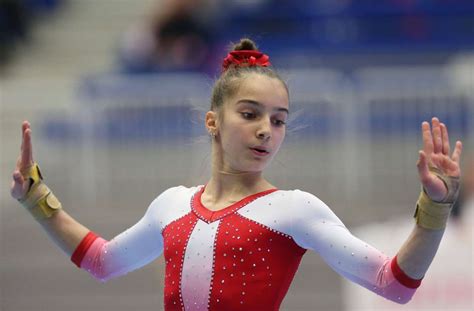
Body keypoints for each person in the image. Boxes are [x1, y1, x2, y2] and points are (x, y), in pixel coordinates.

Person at [10, 38, 463, 311]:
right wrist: (37, 199)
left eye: (279, 119)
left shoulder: (294, 210)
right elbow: (103, 261)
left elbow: (396, 284)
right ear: (213, 121)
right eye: (250, 114)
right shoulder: (171, 205)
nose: (266, 129)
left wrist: (436, 208)